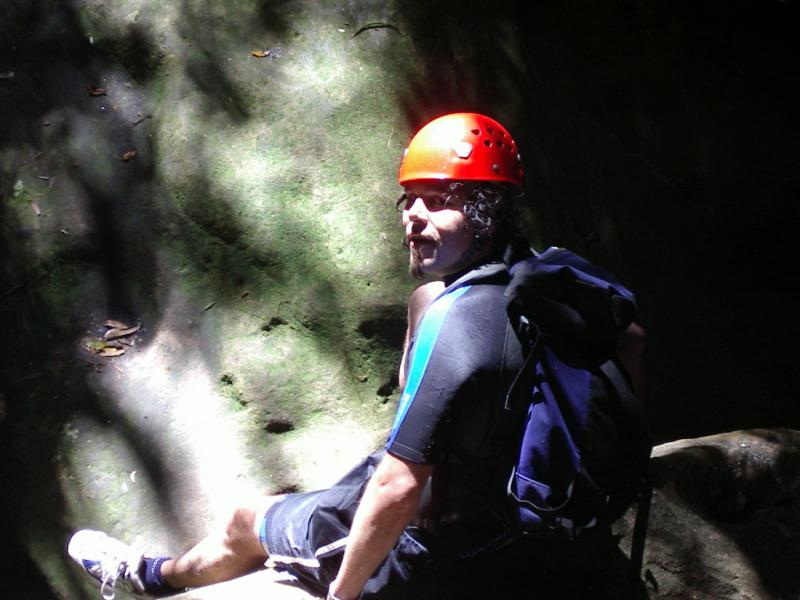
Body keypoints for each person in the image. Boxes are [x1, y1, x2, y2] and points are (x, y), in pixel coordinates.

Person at [69, 113, 645, 600]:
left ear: (485, 210)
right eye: (409, 199)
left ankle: (147, 578)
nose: (413, 216)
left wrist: (344, 594)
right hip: (536, 527)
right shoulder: (546, 282)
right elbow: (632, 342)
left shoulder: (461, 323)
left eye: (439, 200)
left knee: (246, 520)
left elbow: (397, 487)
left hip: (446, 552)